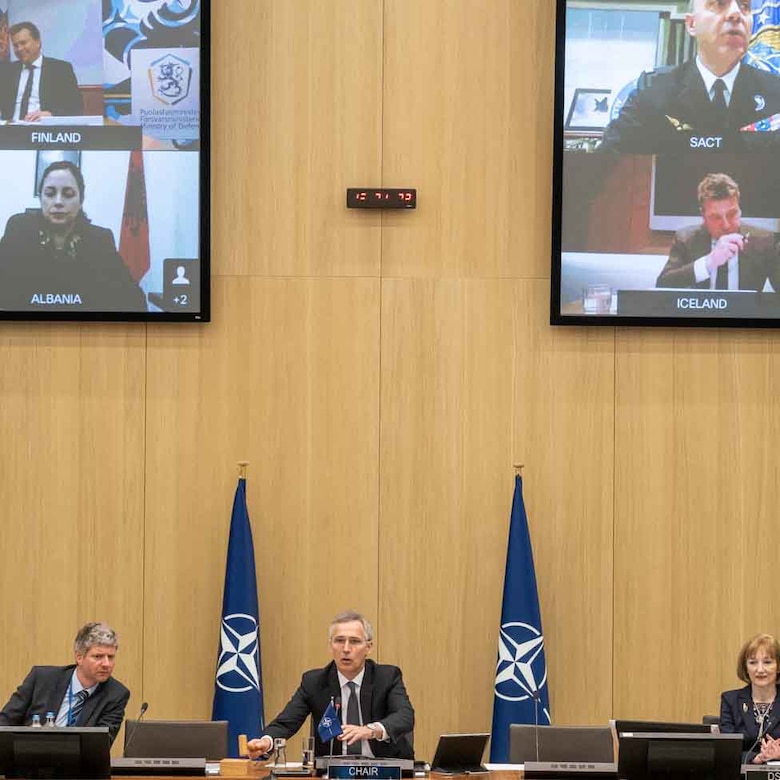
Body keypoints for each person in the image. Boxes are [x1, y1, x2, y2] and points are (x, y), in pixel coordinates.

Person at [600, 0, 780, 153]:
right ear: (691, 24)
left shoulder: (775, 92)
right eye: (719, 3)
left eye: (744, 6)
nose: (736, 13)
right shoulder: (653, 89)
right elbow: (607, 162)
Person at [246, 610, 414, 760]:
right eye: (339, 640)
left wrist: (371, 730)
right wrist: (265, 742)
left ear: (368, 647)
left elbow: (405, 716)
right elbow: (286, 723)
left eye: (354, 641)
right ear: (330, 645)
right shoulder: (314, 682)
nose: (346, 648)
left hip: (384, 771)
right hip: (332, 772)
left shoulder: (386, 677)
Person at [0, 160, 148, 311]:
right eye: (50, 194)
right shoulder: (19, 230)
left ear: (81, 200)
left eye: (68, 194)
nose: (58, 202)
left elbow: (134, 300)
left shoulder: (99, 239)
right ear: (40, 198)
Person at [0, 622, 130, 744]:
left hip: (77, 764)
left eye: (111, 657)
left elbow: (101, 744)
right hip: (27, 759)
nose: (106, 664)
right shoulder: (42, 679)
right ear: (79, 657)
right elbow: (5, 722)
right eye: (98, 657)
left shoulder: (116, 694)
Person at [655, 173, 780, 290]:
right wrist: (709, 262)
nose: (726, 225)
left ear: (740, 210)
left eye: (732, 214)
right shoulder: (686, 239)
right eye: (716, 217)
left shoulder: (764, 240)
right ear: (703, 216)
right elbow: (663, 285)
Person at [0, 22, 82, 122]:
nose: (19, 49)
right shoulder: (7, 71)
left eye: (23, 43)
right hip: (9, 130)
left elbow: (76, 108)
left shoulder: (60, 69)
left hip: (42, 130)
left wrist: (51, 114)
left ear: (38, 42)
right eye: (15, 45)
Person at [720, 633, 780, 763]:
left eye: (767, 662)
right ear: (746, 667)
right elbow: (726, 753)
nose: (760, 669)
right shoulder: (731, 701)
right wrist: (756, 758)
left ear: (778, 666)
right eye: (753, 662)